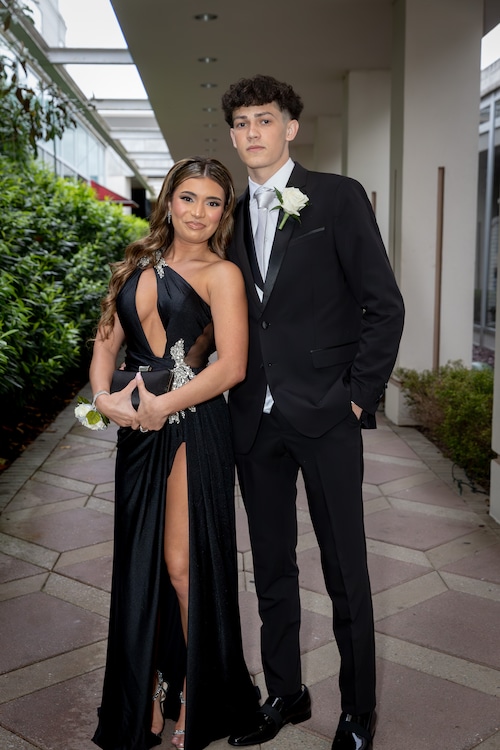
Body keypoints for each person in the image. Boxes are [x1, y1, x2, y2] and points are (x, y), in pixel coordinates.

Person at [220, 75, 405, 750]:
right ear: (233, 135)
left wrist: (357, 396)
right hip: (255, 420)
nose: (253, 133)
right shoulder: (228, 215)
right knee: (271, 567)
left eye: (265, 120)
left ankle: (358, 710)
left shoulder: (336, 196)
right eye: (242, 123)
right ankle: (287, 693)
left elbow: (384, 305)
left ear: (290, 128)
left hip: (327, 414)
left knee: (345, 570)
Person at [88, 156, 258, 750]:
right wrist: (104, 400)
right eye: (188, 198)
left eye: (213, 202)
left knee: (183, 567)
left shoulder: (222, 274)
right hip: (137, 429)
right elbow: (104, 344)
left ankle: (197, 695)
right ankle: (151, 692)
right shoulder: (135, 264)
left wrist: (164, 405)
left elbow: (232, 367)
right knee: (142, 566)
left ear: (224, 212)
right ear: (168, 200)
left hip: (193, 424)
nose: (198, 213)